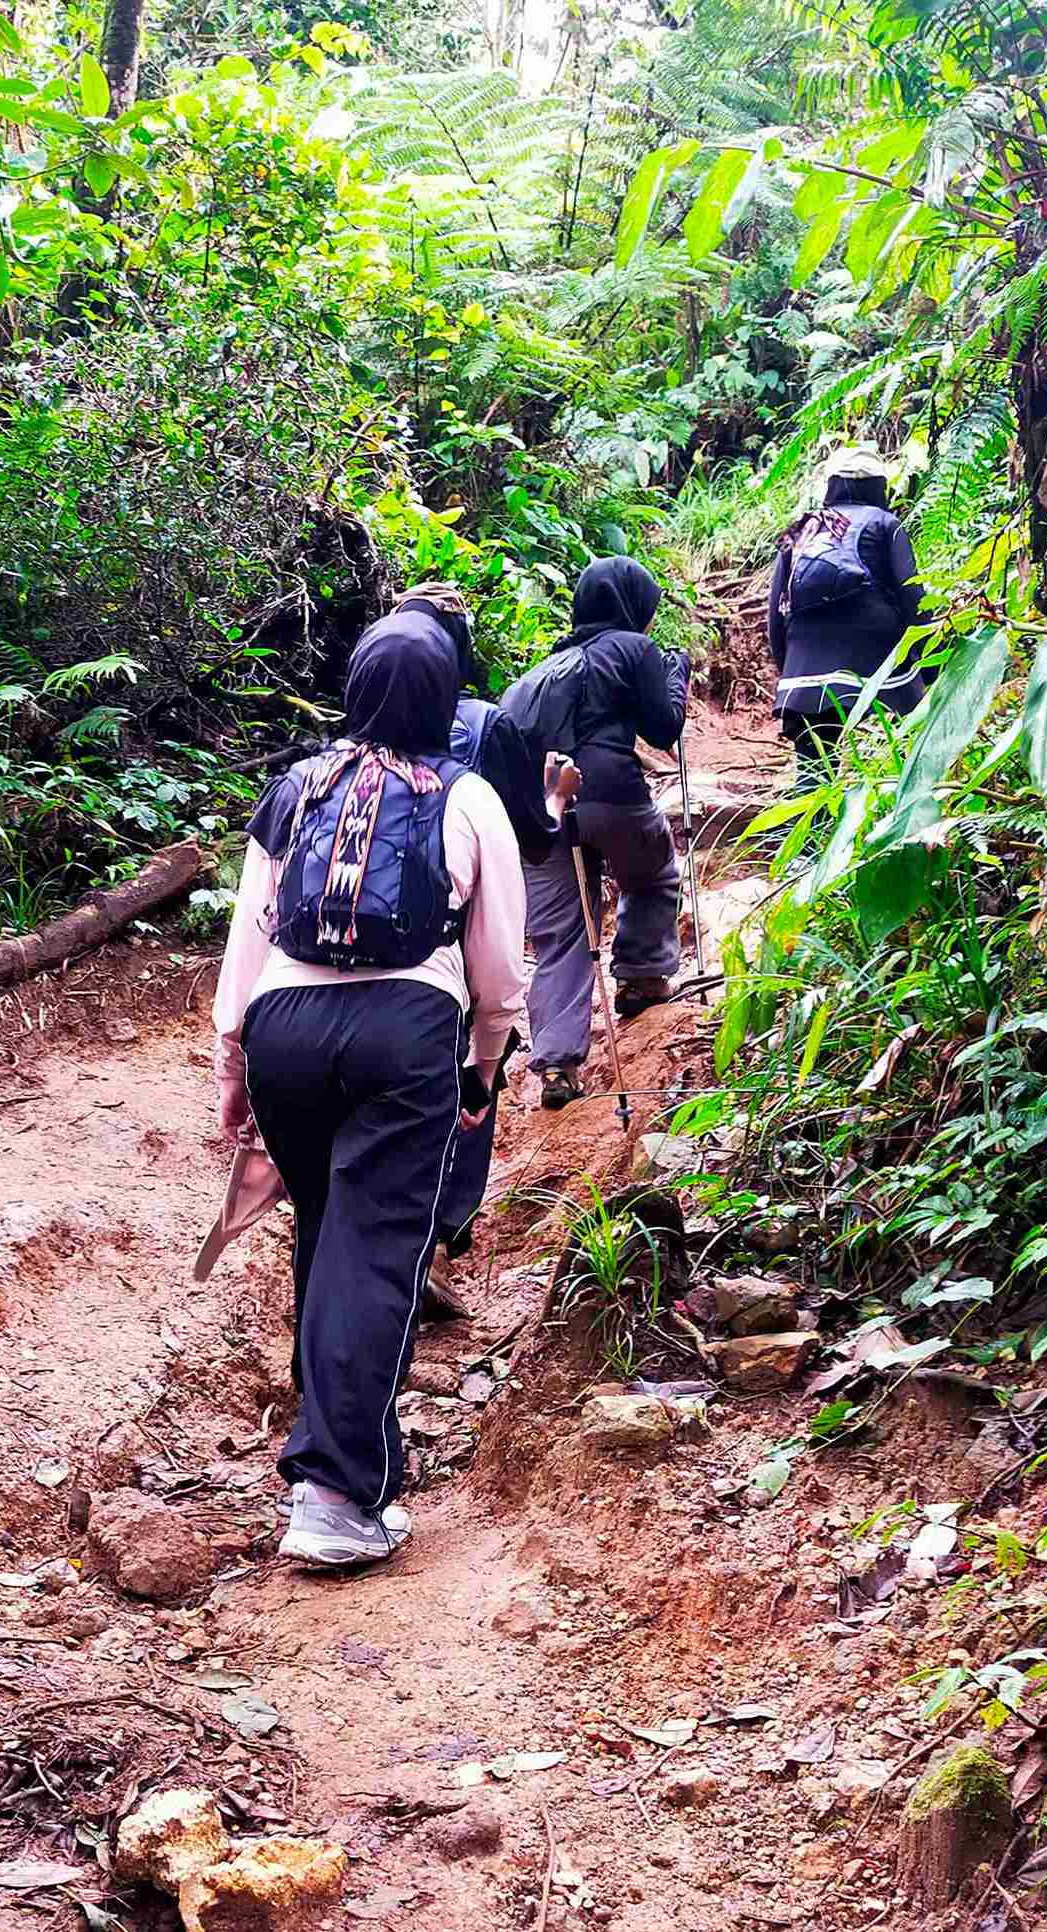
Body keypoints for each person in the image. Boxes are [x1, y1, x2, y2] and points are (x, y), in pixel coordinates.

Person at [213, 616, 529, 1570]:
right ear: (449, 696)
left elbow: (250, 936)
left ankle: (342, 1460)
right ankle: (337, 1492)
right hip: (405, 1032)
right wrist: (484, 1061)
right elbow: (501, 962)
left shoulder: (297, 785)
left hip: (287, 1034)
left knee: (330, 1235)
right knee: (374, 1252)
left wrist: (235, 1066)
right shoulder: (468, 797)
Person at [385, 584, 556, 1313]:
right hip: (448, 960)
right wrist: (557, 797)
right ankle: (430, 1247)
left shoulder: (345, 747)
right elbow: (533, 838)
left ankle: (367, 1263)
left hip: (345, 959)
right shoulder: (486, 727)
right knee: (467, 1100)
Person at [500, 556, 690, 1109]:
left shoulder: (552, 665)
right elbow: (663, 728)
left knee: (560, 934)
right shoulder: (635, 648)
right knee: (651, 874)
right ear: (631, 605)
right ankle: (642, 974)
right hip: (614, 795)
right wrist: (674, 676)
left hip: (548, 806)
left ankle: (557, 1063)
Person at [769, 447, 926, 747]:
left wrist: (789, 673)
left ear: (831, 484)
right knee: (904, 757)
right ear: (880, 485)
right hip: (880, 670)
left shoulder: (801, 530)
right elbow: (912, 596)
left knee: (814, 775)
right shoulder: (885, 524)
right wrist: (929, 666)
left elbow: (776, 616)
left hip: (805, 671)